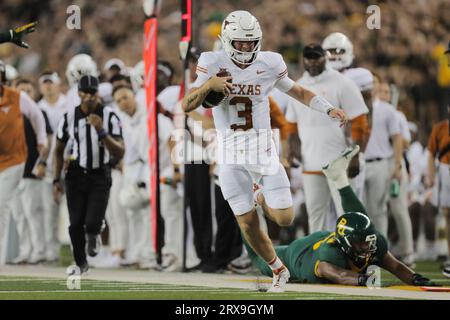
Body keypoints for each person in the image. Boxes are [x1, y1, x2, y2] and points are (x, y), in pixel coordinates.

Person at [182, 10, 347, 292]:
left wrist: (327, 107)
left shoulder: (270, 62)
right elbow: (187, 105)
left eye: (251, 42)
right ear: (226, 40)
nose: (246, 47)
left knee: (284, 218)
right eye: (241, 43)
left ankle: (258, 193)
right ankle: (277, 269)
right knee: (247, 223)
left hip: (262, 152)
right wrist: (210, 84)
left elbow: (298, 91)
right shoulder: (211, 62)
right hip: (230, 154)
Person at [247, 145, 436, 287]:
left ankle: (339, 178)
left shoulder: (371, 243)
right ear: (346, 243)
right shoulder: (331, 253)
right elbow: (337, 274)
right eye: (361, 243)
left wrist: (415, 278)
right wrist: (364, 279)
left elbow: (395, 266)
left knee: (362, 220)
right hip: (296, 256)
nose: (367, 246)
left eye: (368, 241)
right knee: (257, 256)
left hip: (321, 241)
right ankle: (246, 202)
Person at [285, 43, 369, 233]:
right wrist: (292, 148)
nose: (312, 62)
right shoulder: (299, 86)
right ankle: (321, 260)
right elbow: (291, 125)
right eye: (308, 57)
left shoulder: (342, 82)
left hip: (339, 162)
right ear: (303, 59)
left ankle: (354, 259)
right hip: (311, 162)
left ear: (325, 57)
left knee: (347, 214)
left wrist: (356, 155)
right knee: (315, 216)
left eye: (317, 57)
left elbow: (360, 121)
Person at [53, 75, 124, 274]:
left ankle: (94, 232)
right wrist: (55, 179)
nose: (89, 96)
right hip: (75, 173)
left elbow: (120, 151)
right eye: (85, 92)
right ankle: (81, 263)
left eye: (93, 92)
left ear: (98, 93)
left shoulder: (110, 116)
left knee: (91, 222)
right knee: (75, 223)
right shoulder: (68, 117)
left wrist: (101, 131)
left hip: (100, 173)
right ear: (78, 93)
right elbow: (58, 151)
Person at [0, 60, 48, 266]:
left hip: (14, 160)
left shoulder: (18, 97)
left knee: (1, 205)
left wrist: (42, 140)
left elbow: (37, 116)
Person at [37, 71, 67, 262]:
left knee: (74, 209)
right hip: (48, 165)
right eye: (45, 83)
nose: (48, 86)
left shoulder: (69, 103)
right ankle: (50, 251)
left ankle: (79, 249)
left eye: (51, 83)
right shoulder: (37, 107)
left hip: (70, 162)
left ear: (58, 84)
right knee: (49, 209)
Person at [426, 105, 450, 278]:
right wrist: (431, 175)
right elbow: (431, 153)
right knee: (448, 214)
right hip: (445, 169)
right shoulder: (440, 128)